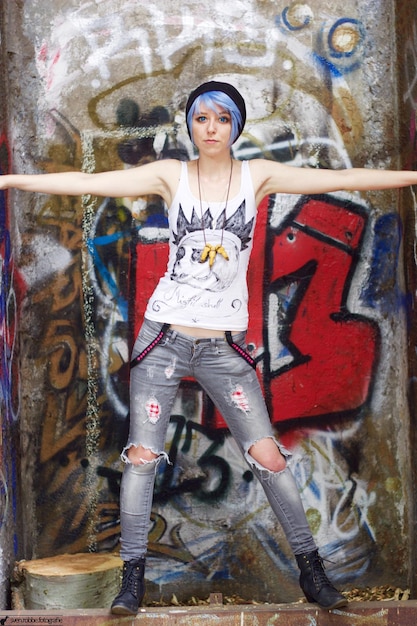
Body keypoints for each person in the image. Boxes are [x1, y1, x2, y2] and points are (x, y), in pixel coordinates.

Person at [2, 80, 417, 615]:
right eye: (202, 120)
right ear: (190, 126)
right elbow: (91, 182)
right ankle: (133, 582)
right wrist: (11, 178)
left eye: (222, 119)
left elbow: (341, 177)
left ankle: (314, 575)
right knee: (142, 460)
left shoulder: (257, 176)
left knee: (269, 457)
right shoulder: (171, 175)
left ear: (235, 126)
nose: (211, 129)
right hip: (163, 341)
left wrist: (409, 176)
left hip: (222, 349)